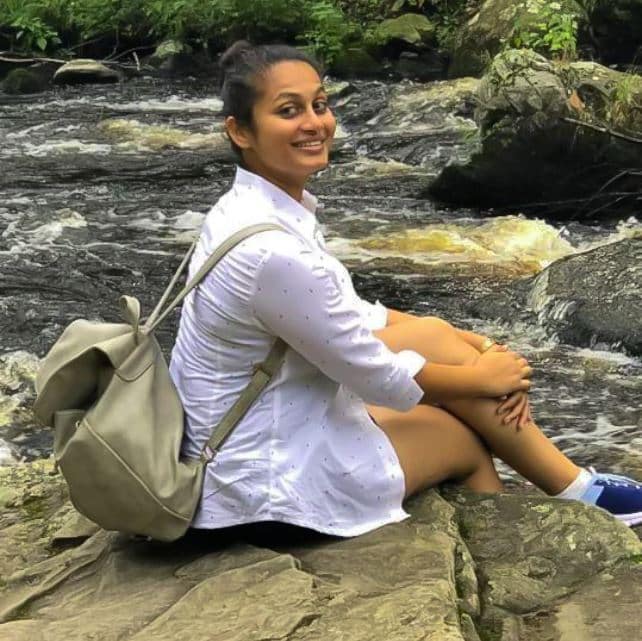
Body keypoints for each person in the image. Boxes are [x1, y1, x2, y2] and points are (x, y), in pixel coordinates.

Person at [169, 41, 642, 537]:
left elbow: (353, 316)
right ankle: (512, 554)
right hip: (258, 483)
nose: (314, 122)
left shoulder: (250, 209)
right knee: (463, 440)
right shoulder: (273, 252)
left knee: (434, 335)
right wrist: (485, 378)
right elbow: (375, 377)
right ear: (240, 131)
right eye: (289, 111)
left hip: (259, 426)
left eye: (320, 105)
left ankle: (573, 489)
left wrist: (477, 346)